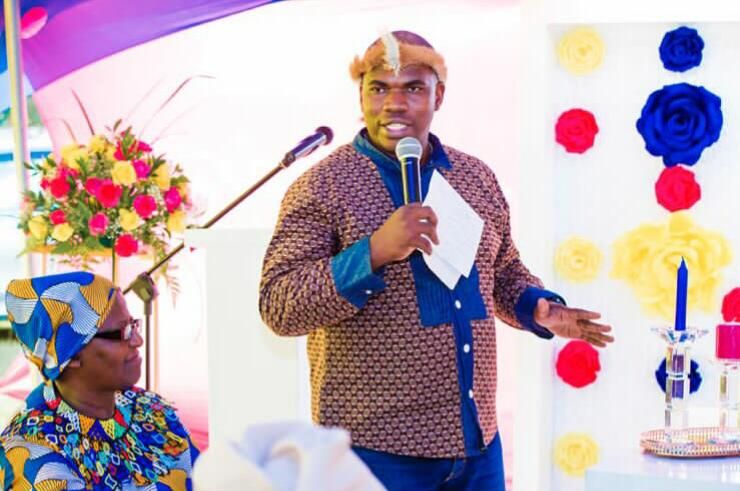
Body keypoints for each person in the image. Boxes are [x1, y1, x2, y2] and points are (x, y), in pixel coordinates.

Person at [259, 31, 614, 491]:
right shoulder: (323, 186)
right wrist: (374, 251)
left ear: (438, 96)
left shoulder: (474, 177)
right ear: (361, 96)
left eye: (413, 88)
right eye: (379, 88)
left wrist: (535, 306)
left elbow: (502, 269)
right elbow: (279, 305)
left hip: (478, 446)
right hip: (373, 451)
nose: (394, 104)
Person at [0, 271, 198, 490]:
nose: (138, 340)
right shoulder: (33, 453)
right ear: (71, 355)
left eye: (133, 325)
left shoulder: (152, 411)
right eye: (122, 331)